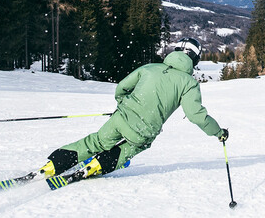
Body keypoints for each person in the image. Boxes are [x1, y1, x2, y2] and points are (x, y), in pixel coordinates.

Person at [37, 37, 229, 180]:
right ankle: (97, 165)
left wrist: (123, 105)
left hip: (121, 118)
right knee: (132, 147)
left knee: (95, 141)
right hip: (145, 130)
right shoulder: (188, 83)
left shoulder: (149, 68)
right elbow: (196, 115)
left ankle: (53, 165)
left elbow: (122, 87)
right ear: (194, 60)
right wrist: (218, 132)